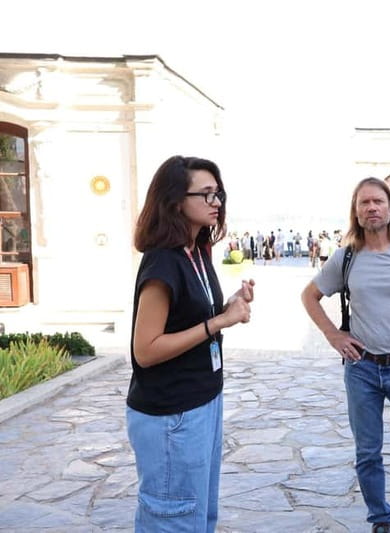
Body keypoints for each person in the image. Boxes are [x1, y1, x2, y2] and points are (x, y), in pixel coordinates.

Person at [300, 177, 390, 533]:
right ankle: (380, 518)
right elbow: (309, 296)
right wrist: (334, 335)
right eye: (364, 203)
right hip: (362, 370)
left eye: (378, 201)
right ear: (356, 212)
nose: (371, 208)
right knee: (367, 453)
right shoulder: (346, 257)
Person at [126, 155, 255, 532]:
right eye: (206, 194)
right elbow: (146, 350)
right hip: (172, 414)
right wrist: (218, 321)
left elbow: (191, 316)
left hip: (203, 401)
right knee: (173, 520)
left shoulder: (197, 252)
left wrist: (230, 303)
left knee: (198, 516)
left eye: (219, 194)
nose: (216, 202)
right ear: (175, 200)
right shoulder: (162, 263)